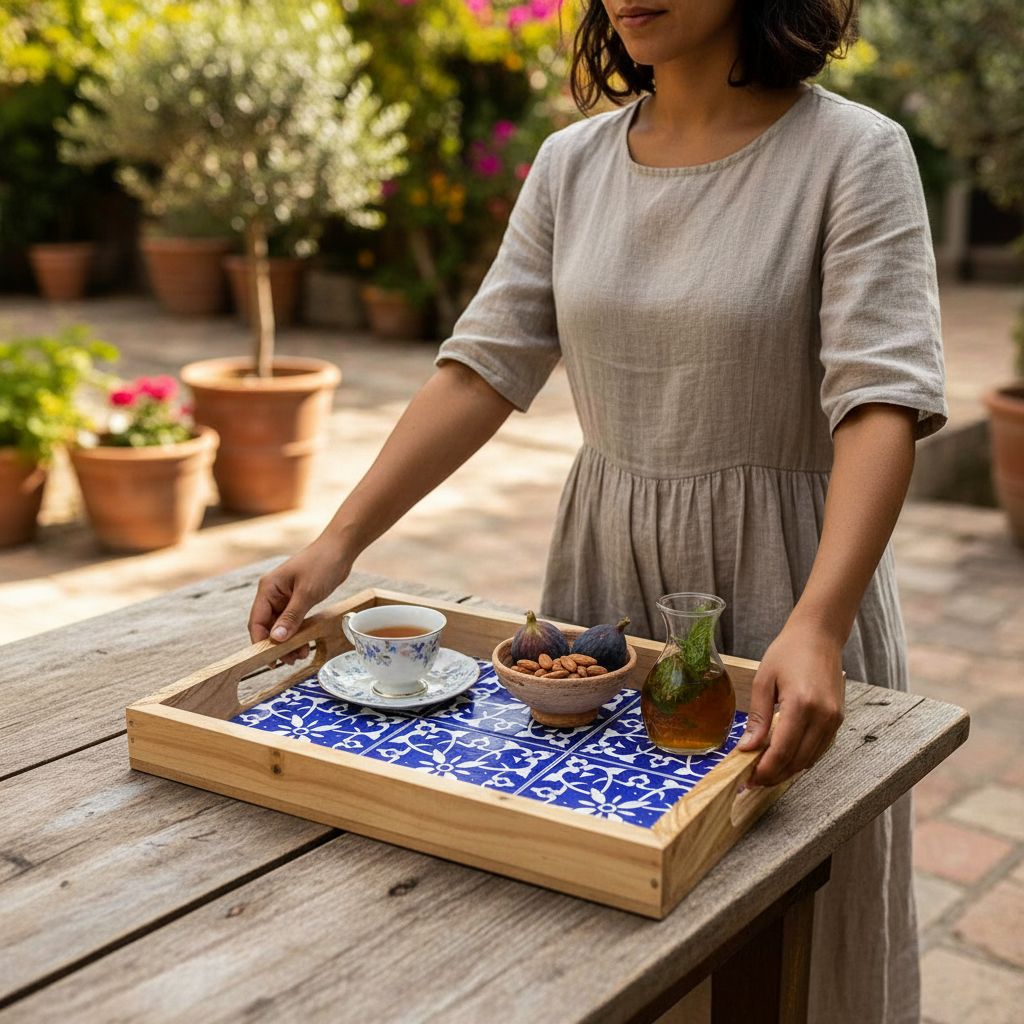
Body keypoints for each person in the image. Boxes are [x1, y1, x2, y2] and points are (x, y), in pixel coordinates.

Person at [248, 2, 946, 1020]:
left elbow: (879, 401)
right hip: (601, 596)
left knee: (789, 940)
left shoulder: (853, 153)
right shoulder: (570, 164)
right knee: (598, 918)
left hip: (789, 589)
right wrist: (339, 539)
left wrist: (820, 620)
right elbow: (483, 366)